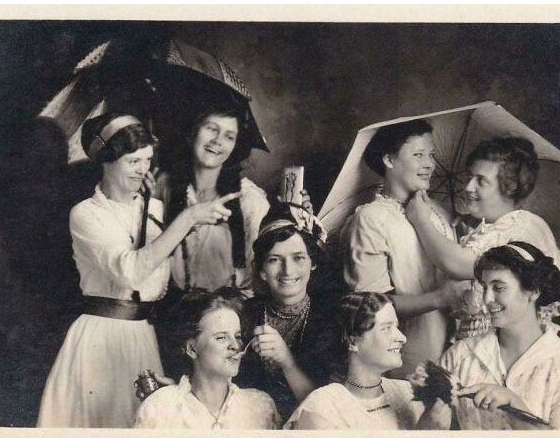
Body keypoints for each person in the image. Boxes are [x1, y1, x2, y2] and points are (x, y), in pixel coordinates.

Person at [37, 112, 242, 427]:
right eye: (133, 161)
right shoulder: (85, 214)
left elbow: (164, 274)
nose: (143, 169)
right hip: (101, 339)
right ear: (106, 161)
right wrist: (186, 220)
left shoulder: (154, 208)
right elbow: (129, 272)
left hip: (143, 334)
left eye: (147, 160)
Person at [404, 136, 560, 338]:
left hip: (512, 345)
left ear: (510, 187)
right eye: (469, 177)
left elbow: (457, 264)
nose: (468, 187)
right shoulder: (497, 228)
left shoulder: (522, 226)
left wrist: (420, 220)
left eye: (481, 181)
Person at [431, 243, 560, 429]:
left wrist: (515, 407)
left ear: (533, 291)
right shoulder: (460, 355)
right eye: (485, 288)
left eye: (498, 288)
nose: (487, 299)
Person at [341, 120, 457, 374]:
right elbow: (369, 306)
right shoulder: (371, 218)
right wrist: (441, 297)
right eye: (418, 155)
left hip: (456, 344)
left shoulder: (441, 211)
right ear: (389, 160)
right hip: (407, 350)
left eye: (431, 155)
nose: (429, 164)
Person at [156, 99, 270, 294]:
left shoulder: (248, 198)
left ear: (235, 146)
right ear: (192, 132)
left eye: (229, 136)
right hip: (168, 306)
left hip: (226, 307)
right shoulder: (164, 186)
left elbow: (261, 273)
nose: (217, 140)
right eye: (211, 129)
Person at [238, 201, 336, 420]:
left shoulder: (332, 318)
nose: (288, 270)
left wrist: (286, 360)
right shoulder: (244, 315)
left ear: (313, 263)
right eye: (274, 260)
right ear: (261, 270)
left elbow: (328, 409)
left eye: (298, 258)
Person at [285, 292, 440, 429]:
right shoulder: (322, 409)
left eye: (397, 327)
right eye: (386, 328)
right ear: (352, 341)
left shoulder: (406, 393)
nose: (402, 338)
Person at [134, 288, 281, 428]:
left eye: (237, 336)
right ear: (192, 349)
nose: (236, 346)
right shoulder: (158, 407)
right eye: (221, 337)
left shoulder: (261, 407)